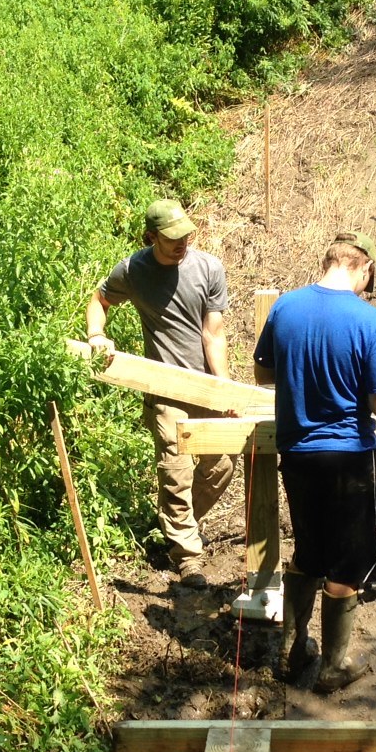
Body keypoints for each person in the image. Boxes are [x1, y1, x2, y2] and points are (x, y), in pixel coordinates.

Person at [253, 231, 376, 692]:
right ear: (364, 268)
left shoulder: (285, 308)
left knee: (307, 551)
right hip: (348, 458)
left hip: (297, 454)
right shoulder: (370, 322)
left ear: (329, 261)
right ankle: (334, 666)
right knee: (346, 564)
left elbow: (262, 373)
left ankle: (292, 652)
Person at [86, 199, 236, 587]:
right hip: (165, 392)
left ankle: (174, 526)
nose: (182, 243)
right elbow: (99, 300)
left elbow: (213, 334)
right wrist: (97, 335)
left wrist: (225, 391)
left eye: (186, 235)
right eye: (171, 239)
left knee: (220, 468)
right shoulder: (134, 270)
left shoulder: (208, 268)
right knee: (177, 471)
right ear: (151, 237)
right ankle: (187, 555)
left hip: (204, 389)